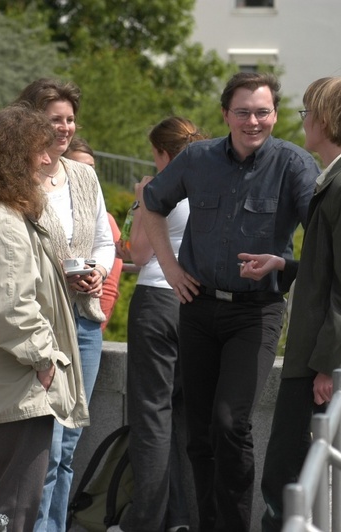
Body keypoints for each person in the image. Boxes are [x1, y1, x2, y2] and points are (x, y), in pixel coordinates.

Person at [140, 72, 321, 531]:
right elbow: (152, 203)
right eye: (243, 112)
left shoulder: (296, 166)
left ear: (275, 115)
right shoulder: (197, 158)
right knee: (199, 435)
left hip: (256, 313)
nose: (253, 121)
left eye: (262, 112)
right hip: (198, 308)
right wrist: (171, 269)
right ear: (225, 115)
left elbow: (325, 241)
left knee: (230, 423)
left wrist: (281, 266)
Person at [234, 77, 341, 531]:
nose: (304, 121)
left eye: (308, 112)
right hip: (315, 357)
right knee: (291, 477)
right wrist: (283, 264)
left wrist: (325, 365)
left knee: (287, 478)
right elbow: (337, 270)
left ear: (326, 120)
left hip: (316, 362)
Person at [0, 104, 89, 532]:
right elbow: (10, 306)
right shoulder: (4, 220)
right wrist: (45, 359)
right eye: (40, 150)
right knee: (15, 510)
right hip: (14, 385)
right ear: (14, 156)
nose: (49, 158)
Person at [13, 79, 116, 532]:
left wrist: (95, 269)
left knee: (70, 444)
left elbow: (103, 240)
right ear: (32, 121)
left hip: (85, 321)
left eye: (70, 118)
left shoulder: (83, 175)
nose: (65, 127)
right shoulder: (14, 179)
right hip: (41, 322)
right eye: (55, 119)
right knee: (46, 449)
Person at [120, 117, 207, 532]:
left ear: (162, 153)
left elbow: (137, 253)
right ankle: (178, 518)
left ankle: (145, 521)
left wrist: (140, 199)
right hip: (196, 305)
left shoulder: (159, 188)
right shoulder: (211, 182)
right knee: (181, 414)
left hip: (156, 298)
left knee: (151, 415)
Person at [63, 136, 123, 331]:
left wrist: (97, 273)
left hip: (87, 315)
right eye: (79, 166)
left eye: (91, 167)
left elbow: (110, 285)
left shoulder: (104, 216)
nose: (86, 174)